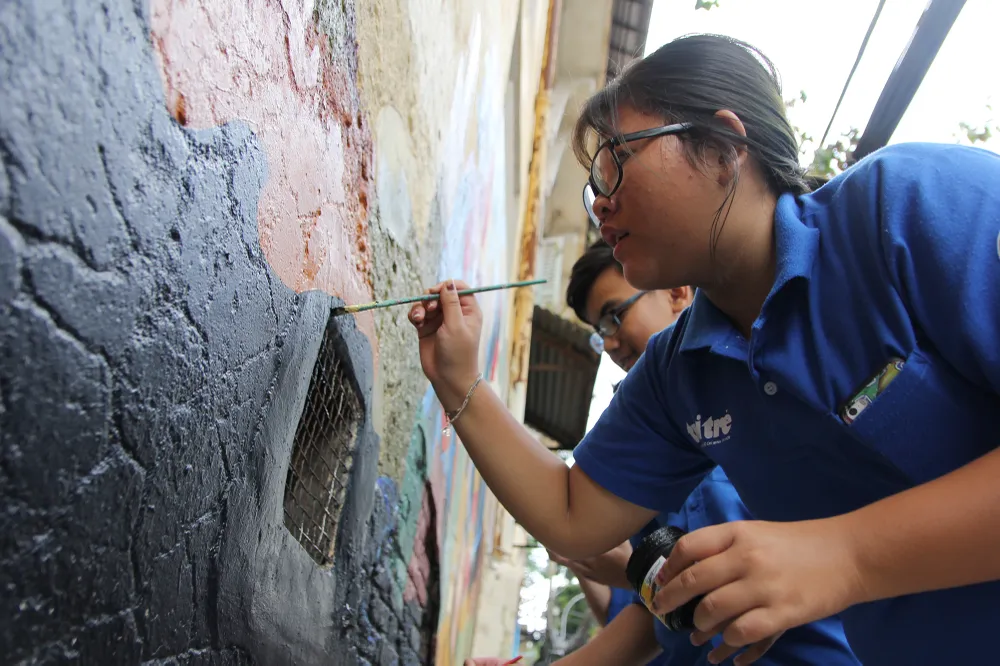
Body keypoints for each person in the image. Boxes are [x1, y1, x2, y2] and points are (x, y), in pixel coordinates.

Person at [410, 33, 1000, 666]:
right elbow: (571, 512)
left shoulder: (907, 204)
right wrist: (459, 381)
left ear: (721, 146)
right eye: (593, 187)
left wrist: (845, 556)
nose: (600, 203)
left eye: (616, 162)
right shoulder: (678, 376)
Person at [463, 242, 859, 665]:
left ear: (676, 293)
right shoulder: (637, 447)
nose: (609, 342)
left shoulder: (764, 381)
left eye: (615, 316)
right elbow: (657, 616)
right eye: (599, 331)